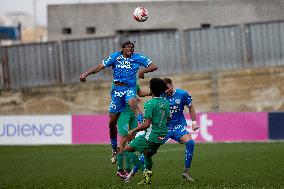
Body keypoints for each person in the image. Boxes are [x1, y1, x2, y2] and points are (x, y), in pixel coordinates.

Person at [79, 41, 158, 163]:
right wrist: (86, 73)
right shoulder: (115, 57)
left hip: (129, 88)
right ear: (122, 49)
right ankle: (113, 148)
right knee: (111, 123)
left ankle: (143, 123)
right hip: (117, 91)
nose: (130, 50)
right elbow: (100, 66)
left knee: (132, 101)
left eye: (132, 48)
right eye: (128, 48)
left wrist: (142, 71)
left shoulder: (137, 58)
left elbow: (153, 66)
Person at [121, 78, 170, 184]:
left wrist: (133, 130)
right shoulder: (166, 103)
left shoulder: (150, 104)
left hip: (150, 136)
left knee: (127, 150)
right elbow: (167, 119)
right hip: (161, 136)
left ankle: (144, 172)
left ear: (151, 89)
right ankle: (147, 179)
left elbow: (146, 124)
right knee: (147, 155)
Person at [162, 78, 199, 182]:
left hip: (178, 126)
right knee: (150, 148)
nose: (166, 91)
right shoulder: (160, 96)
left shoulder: (182, 94)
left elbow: (191, 107)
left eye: (168, 88)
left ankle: (186, 172)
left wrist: (194, 122)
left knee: (190, 143)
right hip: (164, 128)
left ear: (172, 85)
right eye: (164, 89)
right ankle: (132, 173)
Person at [116, 83, 150, 178]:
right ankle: (120, 169)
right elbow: (117, 96)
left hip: (133, 114)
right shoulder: (118, 82)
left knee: (131, 142)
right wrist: (134, 96)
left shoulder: (134, 82)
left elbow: (139, 92)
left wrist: (153, 92)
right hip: (123, 114)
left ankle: (127, 169)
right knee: (123, 139)